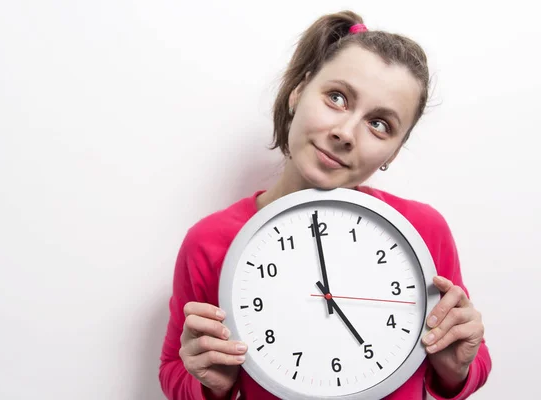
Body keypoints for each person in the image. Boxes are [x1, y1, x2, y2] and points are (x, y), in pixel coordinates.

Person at [158, 10, 492, 400]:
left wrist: (456, 367)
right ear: (298, 92)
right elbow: (174, 370)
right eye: (337, 98)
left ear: (393, 152)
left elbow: (468, 363)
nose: (345, 133)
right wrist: (208, 382)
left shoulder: (423, 231)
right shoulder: (211, 241)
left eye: (380, 124)